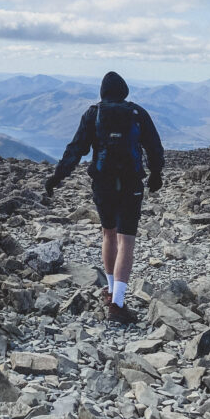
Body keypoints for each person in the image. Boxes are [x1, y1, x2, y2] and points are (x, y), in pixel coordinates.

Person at [44, 71, 164, 325]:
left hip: (102, 182)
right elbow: (154, 146)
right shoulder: (137, 113)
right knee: (127, 240)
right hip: (131, 183)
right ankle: (118, 304)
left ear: (103, 92)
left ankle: (110, 291)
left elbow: (76, 149)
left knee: (108, 233)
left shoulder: (93, 114)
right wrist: (156, 174)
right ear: (124, 91)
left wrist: (57, 177)